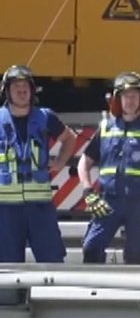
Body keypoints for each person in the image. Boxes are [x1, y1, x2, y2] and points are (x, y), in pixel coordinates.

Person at [78, 72, 140, 265]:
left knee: (137, 254)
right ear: (118, 99)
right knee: (91, 248)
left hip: (139, 205)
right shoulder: (104, 129)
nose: (130, 100)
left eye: (134, 96)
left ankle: (136, 294)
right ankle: (95, 292)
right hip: (107, 202)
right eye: (126, 96)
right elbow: (83, 163)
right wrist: (88, 192)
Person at [0, 64, 80, 263]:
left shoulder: (46, 117)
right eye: (16, 86)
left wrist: (60, 162)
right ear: (7, 91)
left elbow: (69, 139)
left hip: (40, 209)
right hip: (6, 211)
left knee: (52, 263)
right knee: (8, 269)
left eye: (25, 86)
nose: (22, 90)